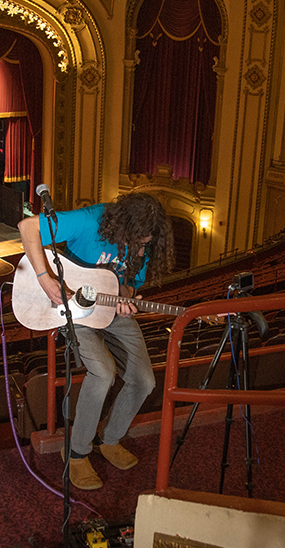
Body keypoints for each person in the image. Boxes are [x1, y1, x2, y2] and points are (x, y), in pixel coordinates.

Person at [17, 191, 174, 490]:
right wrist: (45, 278)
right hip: (73, 309)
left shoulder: (142, 243)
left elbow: (129, 285)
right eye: (138, 243)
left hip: (111, 311)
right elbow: (28, 227)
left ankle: (109, 439)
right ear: (123, 226)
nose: (142, 251)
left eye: (146, 245)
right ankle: (76, 452)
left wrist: (126, 297)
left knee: (144, 380)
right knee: (102, 372)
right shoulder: (91, 220)